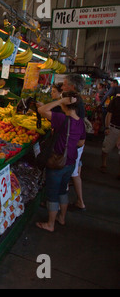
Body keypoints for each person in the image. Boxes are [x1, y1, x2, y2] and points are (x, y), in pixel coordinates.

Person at [36, 91, 86, 232]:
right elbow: (81, 143)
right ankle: (62, 218)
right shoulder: (80, 122)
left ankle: (50, 224)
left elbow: (41, 110)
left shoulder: (62, 119)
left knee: (52, 194)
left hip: (57, 162)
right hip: (70, 162)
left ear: (65, 103)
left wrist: (59, 101)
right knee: (63, 191)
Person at [62, 74, 87, 210]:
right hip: (77, 143)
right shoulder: (78, 100)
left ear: (72, 87)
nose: (63, 86)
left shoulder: (75, 102)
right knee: (75, 172)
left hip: (74, 144)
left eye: (65, 84)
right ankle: (79, 201)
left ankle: (64, 207)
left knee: (70, 173)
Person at [100, 91, 120, 179]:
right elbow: (109, 114)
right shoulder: (116, 100)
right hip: (113, 127)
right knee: (106, 147)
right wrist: (107, 127)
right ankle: (103, 164)